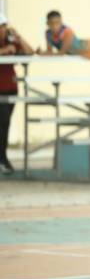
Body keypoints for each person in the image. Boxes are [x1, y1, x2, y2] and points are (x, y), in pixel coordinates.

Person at [0, 13, 34, 174]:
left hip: (10, 88)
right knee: (3, 122)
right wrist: (4, 50)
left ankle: (2, 158)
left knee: (4, 123)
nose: (2, 30)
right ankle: (2, 158)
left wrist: (19, 38)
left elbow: (29, 53)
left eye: (3, 26)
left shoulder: (11, 39)